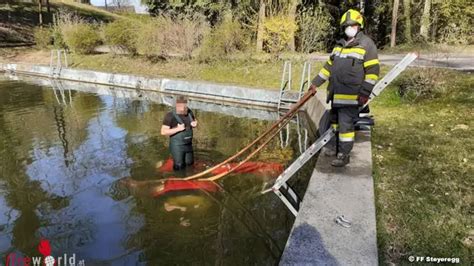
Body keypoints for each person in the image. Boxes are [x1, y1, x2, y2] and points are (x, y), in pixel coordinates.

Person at [308, 9, 380, 167]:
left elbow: (373, 72)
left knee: (346, 128)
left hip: (352, 98)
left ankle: (344, 155)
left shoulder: (367, 45)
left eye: (352, 25)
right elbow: (328, 67)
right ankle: (334, 147)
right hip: (335, 96)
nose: (349, 27)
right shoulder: (339, 45)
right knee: (335, 124)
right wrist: (315, 83)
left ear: (359, 26)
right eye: (346, 25)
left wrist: (365, 93)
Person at [161, 96, 198, 170]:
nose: (184, 108)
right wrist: (178, 129)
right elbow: (163, 132)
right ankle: (177, 178)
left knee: (190, 164)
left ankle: (190, 179)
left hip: (188, 144)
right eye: (181, 106)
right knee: (179, 166)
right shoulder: (170, 116)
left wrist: (195, 123)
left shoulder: (189, 112)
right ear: (176, 105)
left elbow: (195, 120)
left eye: (185, 105)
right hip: (177, 146)